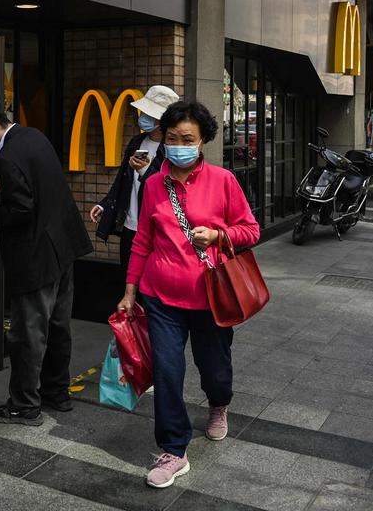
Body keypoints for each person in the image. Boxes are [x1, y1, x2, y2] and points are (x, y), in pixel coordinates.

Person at [116, 100, 259, 489]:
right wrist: (130, 292)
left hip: (212, 297)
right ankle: (173, 449)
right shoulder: (152, 185)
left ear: (203, 141)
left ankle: (219, 402)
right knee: (166, 371)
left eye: (189, 139)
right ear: (164, 139)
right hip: (160, 296)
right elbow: (142, 242)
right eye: (174, 138)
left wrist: (218, 235)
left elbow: (251, 230)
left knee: (214, 368)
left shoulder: (223, 181)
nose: (180, 145)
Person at [0, 96, 92, 426]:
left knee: (27, 332)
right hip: (64, 246)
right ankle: (57, 393)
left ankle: (23, 404)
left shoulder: (6, 157)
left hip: (36, 256)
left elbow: (22, 211)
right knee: (59, 325)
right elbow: (41, 185)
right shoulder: (33, 136)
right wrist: (5, 188)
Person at [90, 85, 180, 270]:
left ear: (163, 119)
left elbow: (171, 186)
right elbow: (123, 180)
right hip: (130, 226)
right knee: (129, 276)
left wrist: (146, 170)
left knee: (152, 280)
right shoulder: (137, 142)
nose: (143, 117)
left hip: (158, 229)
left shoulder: (173, 149)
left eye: (149, 114)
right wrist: (105, 204)